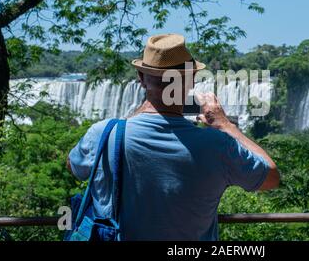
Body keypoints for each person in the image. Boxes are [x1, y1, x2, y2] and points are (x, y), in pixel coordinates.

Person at [67, 33, 280, 240]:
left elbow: (74, 166)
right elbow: (271, 177)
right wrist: (226, 125)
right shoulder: (218, 145)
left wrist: (137, 114)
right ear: (192, 79)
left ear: (141, 78)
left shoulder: (104, 133)